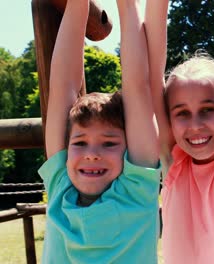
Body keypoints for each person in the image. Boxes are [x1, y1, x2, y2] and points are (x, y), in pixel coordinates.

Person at [38, 0, 161, 262]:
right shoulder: (62, 186)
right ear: (67, 148)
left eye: (108, 143)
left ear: (129, 148)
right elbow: (62, 85)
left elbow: (137, 85)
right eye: (80, 143)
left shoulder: (137, 189)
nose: (92, 153)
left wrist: (128, 5)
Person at [144, 0, 214, 263]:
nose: (195, 124)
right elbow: (152, 73)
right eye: (182, 113)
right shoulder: (174, 162)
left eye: (208, 109)